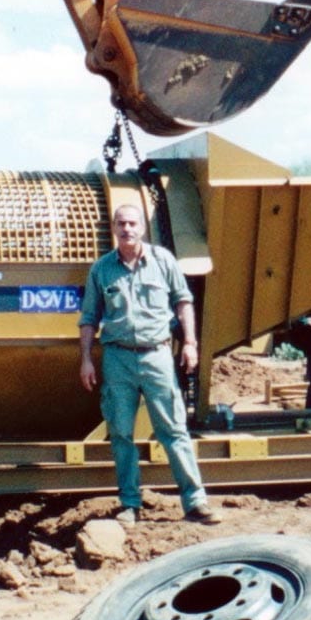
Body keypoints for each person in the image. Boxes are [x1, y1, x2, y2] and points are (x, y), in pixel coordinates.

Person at [78, 204, 220, 526]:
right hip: (117, 359)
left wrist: (190, 343)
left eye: (132, 223)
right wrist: (86, 359)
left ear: (141, 227)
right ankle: (130, 504)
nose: (127, 229)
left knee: (173, 429)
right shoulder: (101, 270)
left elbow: (183, 301)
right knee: (121, 432)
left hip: (157, 356)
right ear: (113, 228)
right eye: (121, 223)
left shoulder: (163, 261)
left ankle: (195, 501)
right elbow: (88, 319)